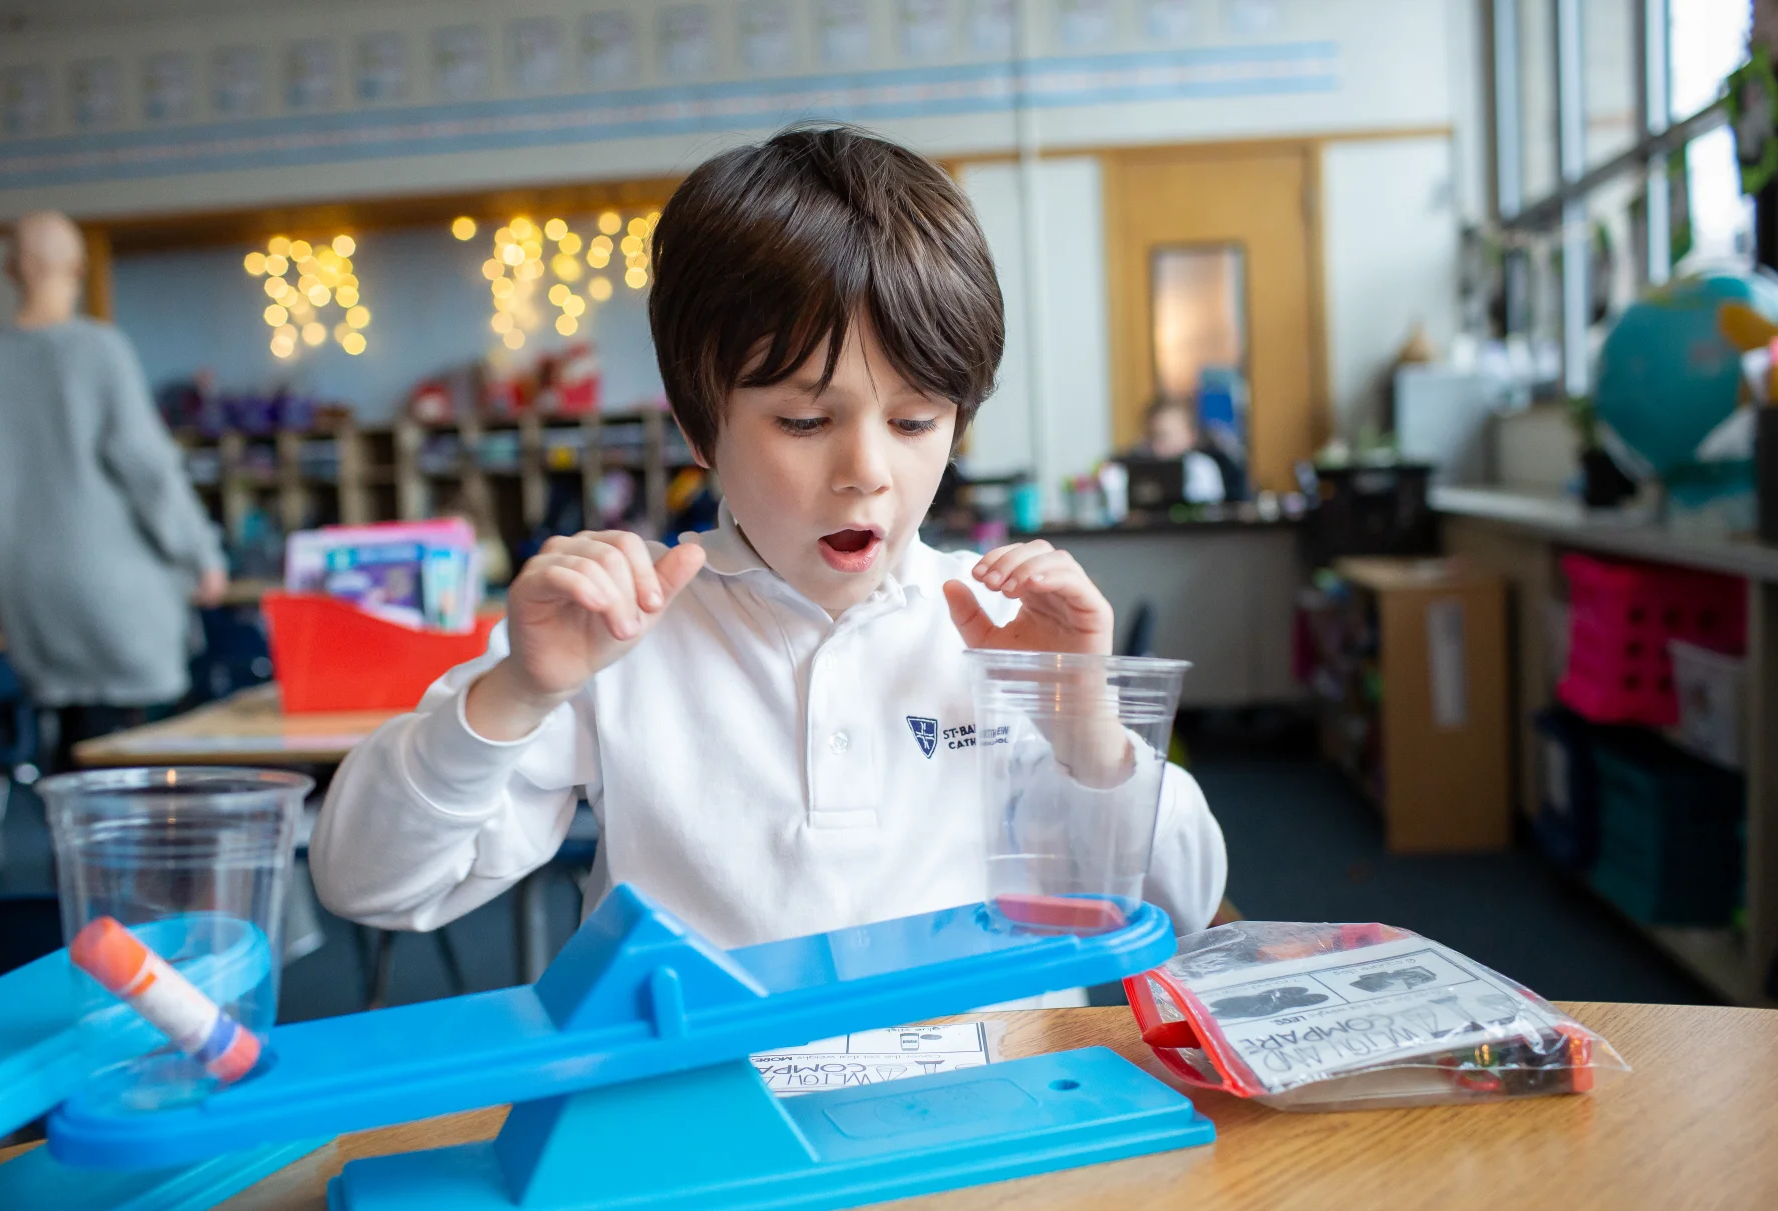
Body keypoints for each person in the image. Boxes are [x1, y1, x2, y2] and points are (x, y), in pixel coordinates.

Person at [311, 126, 1226, 964]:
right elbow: (369, 884)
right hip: (712, 1118)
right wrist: (515, 694)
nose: (867, 471)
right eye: (802, 419)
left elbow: (1186, 902)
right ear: (702, 429)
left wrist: (1085, 727)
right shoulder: (616, 639)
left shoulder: (997, 628)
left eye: (914, 420)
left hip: (982, 1102)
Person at [0, 210, 226, 765]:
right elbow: (146, 468)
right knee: (151, 753)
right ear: (78, 268)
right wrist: (200, 554)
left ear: (11, 268)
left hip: (23, 589)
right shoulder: (99, 349)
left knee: (70, 749)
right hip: (116, 592)